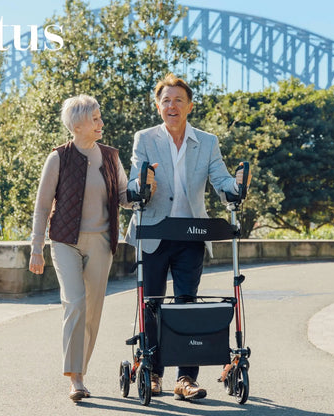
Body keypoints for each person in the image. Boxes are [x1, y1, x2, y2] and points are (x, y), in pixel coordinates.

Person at [125, 73, 251, 401]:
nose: (172, 105)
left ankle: (186, 378)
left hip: (192, 234)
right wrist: (142, 184)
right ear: (158, 106)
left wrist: (234, 189)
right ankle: (152, 372)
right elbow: (132, 185)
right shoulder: (145, 139)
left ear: (189, 106)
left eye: (178, 100)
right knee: (151, 304)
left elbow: (220, 178)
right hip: (153, 233)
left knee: (187, 305)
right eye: (166, 100)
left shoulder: (206, 142)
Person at [29, 94, 131, 402]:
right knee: (75, 303)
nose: (101, 123)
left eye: (100, 118)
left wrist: (144, 190)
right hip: (65, 241)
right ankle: (75, 378)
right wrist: (36, 248)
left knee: (93, 311)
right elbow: (42, 205)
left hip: (101, 241)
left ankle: (81, 370)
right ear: (77, 125)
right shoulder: (58, 157)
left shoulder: (111, 157)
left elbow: (125, 195)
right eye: (95, 119)